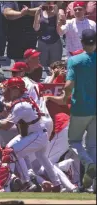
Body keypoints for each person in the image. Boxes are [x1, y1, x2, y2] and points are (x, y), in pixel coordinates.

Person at [0, 77, 61, 192]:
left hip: (36, 135)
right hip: (35, 132)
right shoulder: (22, 99)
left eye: (8, 89)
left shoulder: (21, 105)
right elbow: (13, 106)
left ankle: (3, 187)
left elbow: (6, 125)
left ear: (16, 90)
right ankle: (54, 184)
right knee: (36, 156)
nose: (5, 91)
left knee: (10, 154)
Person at [51, 29, 96, 190]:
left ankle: (89, 163)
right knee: (93, 145)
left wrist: (64, 98)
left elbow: (69, 85)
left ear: (82, 42)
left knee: (74, 141)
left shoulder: (75, 60)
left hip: (81, 108)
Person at [33, 1, 63, 68]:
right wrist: (36, 14)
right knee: (42, 65)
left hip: (55, 43)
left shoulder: (58, 12)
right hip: (42, 43)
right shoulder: (40, 12)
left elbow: (60, 30)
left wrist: (57, 13)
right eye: (46, 3)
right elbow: (36, 28)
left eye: (50, 3)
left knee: (55, 65)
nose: (48, 5)